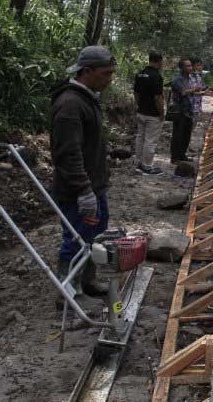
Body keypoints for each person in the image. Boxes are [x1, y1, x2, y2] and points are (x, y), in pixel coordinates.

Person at [50, 45, 117, 302]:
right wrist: (83, 190)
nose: (110, 79)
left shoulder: (87, 98)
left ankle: (87, 282)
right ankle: (68, 294)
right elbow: (68, 153)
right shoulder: (70, 104)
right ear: (87, 71)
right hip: (79, 190)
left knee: (95, 237)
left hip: (94, 186)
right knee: (77, 239)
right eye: (106, 74)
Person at [133, 52, 164, 175]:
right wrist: (161, 113)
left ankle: (138, 163)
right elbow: (158, 98)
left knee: (140, 137)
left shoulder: (140, 74)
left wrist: (139, 105)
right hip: (153, 114)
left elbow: (136, 93)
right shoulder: (156, 76)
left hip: (141, 112)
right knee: (150, 140)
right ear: (159, 61)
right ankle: (147, 167)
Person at [170, 58, 201, 163]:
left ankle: (182, 155)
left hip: (188, 110)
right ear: (182, 68)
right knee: (178, 135)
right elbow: (182, 92)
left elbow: (190, 93)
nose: (190, 68)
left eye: (190, 65)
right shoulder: (177, 79)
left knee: (186, 135)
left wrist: (200, 92)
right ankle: (174, 158)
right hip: (179, 111)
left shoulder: (189, 79)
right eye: (187, 66)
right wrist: (194, 90)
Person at [189, 57, 209, 122]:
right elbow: (189, 91)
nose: (200, 67)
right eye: (198, 65)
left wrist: (205, 89)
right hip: (189, 105)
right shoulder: (188, 77)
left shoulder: (198, 76)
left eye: (201, 65)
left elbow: (199, 89)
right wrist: (203, 93)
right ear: (193, 66)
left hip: (197, 104)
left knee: (194, 123)